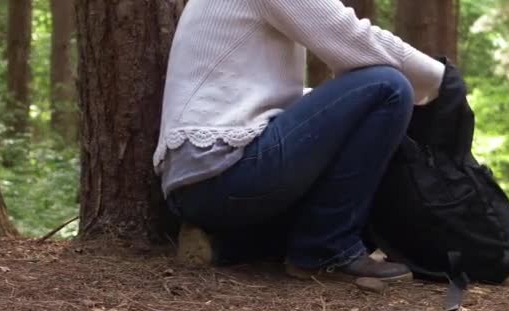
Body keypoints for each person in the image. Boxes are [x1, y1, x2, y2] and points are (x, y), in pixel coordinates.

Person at [153, 0, 445, 282]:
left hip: (195, 187)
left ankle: (226, 245)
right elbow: (352, 37)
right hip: (226, 169)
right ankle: (325, 249)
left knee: (367, 219)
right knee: (388, 86)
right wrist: (444, 79)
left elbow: (271, 99)